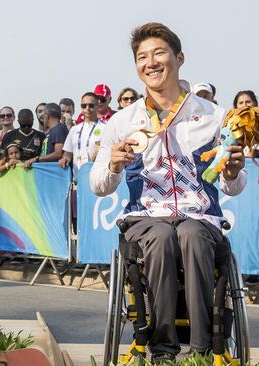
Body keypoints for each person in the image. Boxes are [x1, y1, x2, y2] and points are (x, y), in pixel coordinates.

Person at [89, 23, 247, 361]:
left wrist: (232, 172)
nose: (151, 62)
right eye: (142, 57)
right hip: (146, 216)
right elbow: (98, 185)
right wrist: (114, 165)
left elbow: (235, 184)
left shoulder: (214, 116)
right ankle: (162, 351)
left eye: (159, 53)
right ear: (136, 66)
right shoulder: (122, 121)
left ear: (179, 58)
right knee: (160, 237)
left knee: (190, 233)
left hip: (200, 214)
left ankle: (204, 351)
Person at [59, 92, 106, 178]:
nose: (87, 108)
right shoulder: (74, 129)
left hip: (97, 178)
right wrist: (65, 159)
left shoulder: (105, 128)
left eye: (91, 105)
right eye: (84, 106)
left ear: (97, 106)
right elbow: (67, 153)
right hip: (78, 178)